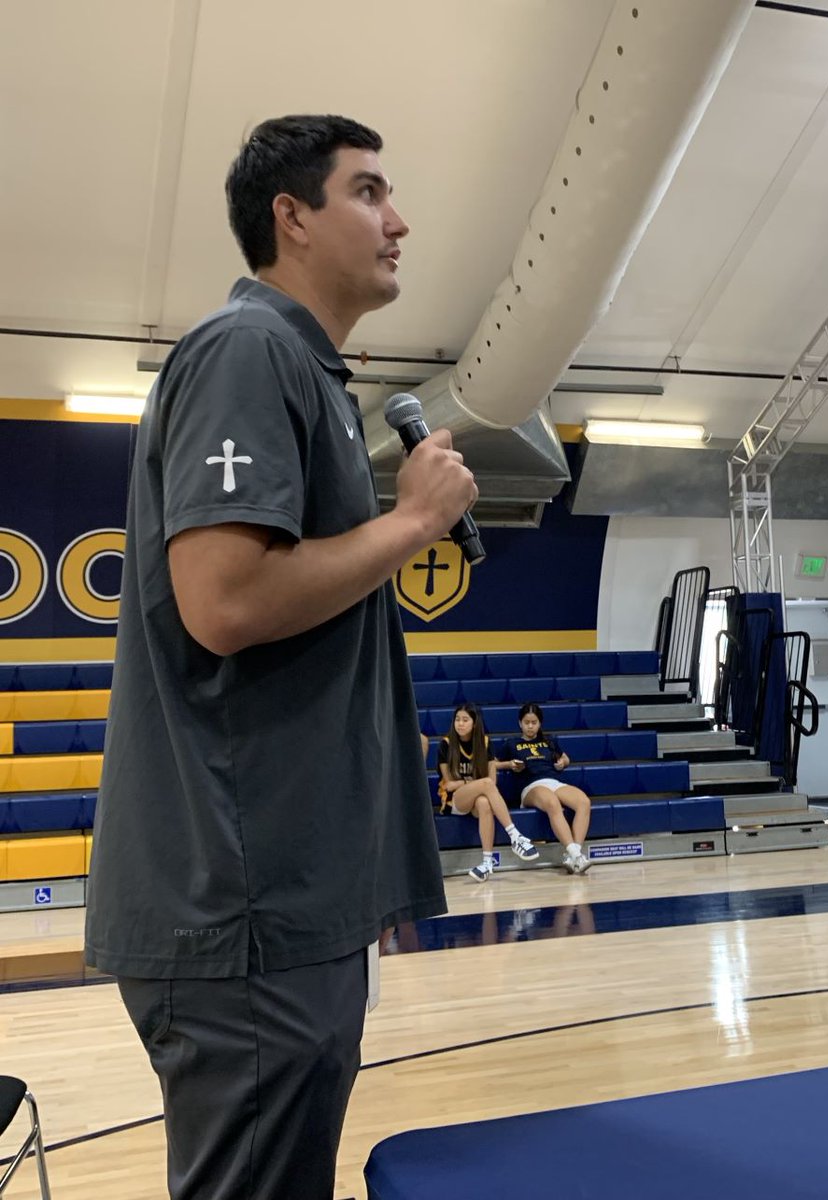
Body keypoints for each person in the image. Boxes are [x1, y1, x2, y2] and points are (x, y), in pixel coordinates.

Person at [84, 114, 479, 1200]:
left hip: (279, 902)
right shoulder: (246, 350)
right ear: (291, 217)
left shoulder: (302, 373)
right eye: (368, 192)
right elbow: (224, 600)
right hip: (240, 905)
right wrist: (410, 526)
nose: (397, 221)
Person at [437, 703, 540, 881]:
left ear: (475, 723)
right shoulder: (446, 744)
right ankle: (515, 836)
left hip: (477, 797)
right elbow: (449, 785)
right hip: (454, 801)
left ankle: (486, 863)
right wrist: (467, 782)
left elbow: (493, 781)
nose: (460, 723)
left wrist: (467, 783)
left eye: (465, 720)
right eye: (457, 719)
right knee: (484, 784)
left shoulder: (484, 743)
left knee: (484, 802)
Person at [506, 702, 592, 874]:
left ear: (540, 724)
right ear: (520, 723)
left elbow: (565, 758)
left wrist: (563, 763)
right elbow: (492, 763)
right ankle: (577, 855)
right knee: (552, 803)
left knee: (584, 802)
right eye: (526, 722)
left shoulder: (549, 742)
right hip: (531, 786)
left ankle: (573, 855)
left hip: (554, 781)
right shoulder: (512, 743)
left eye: (534, 722)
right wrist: (508, 764)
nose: (530, 726)